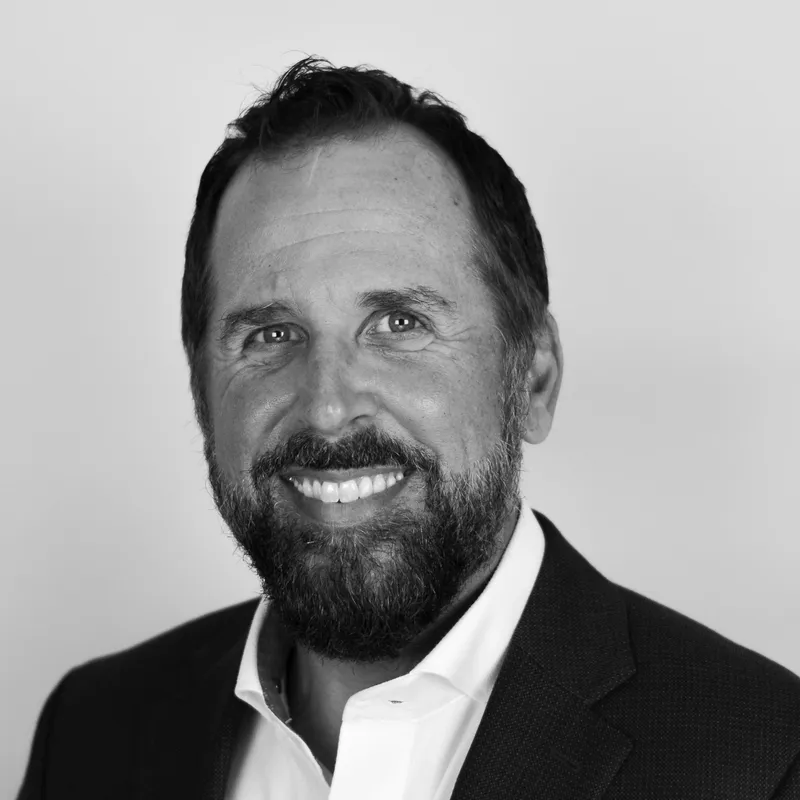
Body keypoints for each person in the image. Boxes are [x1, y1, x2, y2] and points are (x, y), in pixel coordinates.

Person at [17, 56, 800, 800]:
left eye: (399, 322)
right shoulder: (94, 732)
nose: (328, 407)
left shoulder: (763, 762)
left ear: (533, 377)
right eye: (271, 336)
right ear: (200, 392)